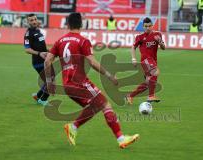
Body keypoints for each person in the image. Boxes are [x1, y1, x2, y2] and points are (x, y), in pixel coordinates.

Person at [44, 12, 139, 149]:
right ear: (81, 24)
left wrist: (49, 82)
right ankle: (120, 138)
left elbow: (47, 61)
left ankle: (74, 127)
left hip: (67, 85)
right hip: (80, 82)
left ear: (68, 24)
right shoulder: (83, 41)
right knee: (104, 103)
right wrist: (109, 75)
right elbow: (93, 62)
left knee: (97, 106)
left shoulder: (60, 41)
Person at [125, 17, 165, 105]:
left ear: (152, 26)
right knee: (155, 72)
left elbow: (163, 48)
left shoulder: (157, 35)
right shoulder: (140, 37)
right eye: (146, 26)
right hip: (145, 60)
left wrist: (161, 43)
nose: (148, 28)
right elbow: (133, 47)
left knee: (147, 83)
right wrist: (133, 58)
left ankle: (130, 96)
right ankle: (151, 96)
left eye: (149, 26)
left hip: (153, 60)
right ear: (143, 26)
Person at [24, 14, 50, 106]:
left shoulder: (38, 30)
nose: (34, 21)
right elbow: (27, 49)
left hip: (44, 60)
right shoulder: (28, 34)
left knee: (49, 80)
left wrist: (49, 51)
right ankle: (42, 99)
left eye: (35, 19)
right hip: (38, 62)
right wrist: (40, 53)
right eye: (31, 20)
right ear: (28, 22)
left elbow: (41, 46)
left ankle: (38, 95)